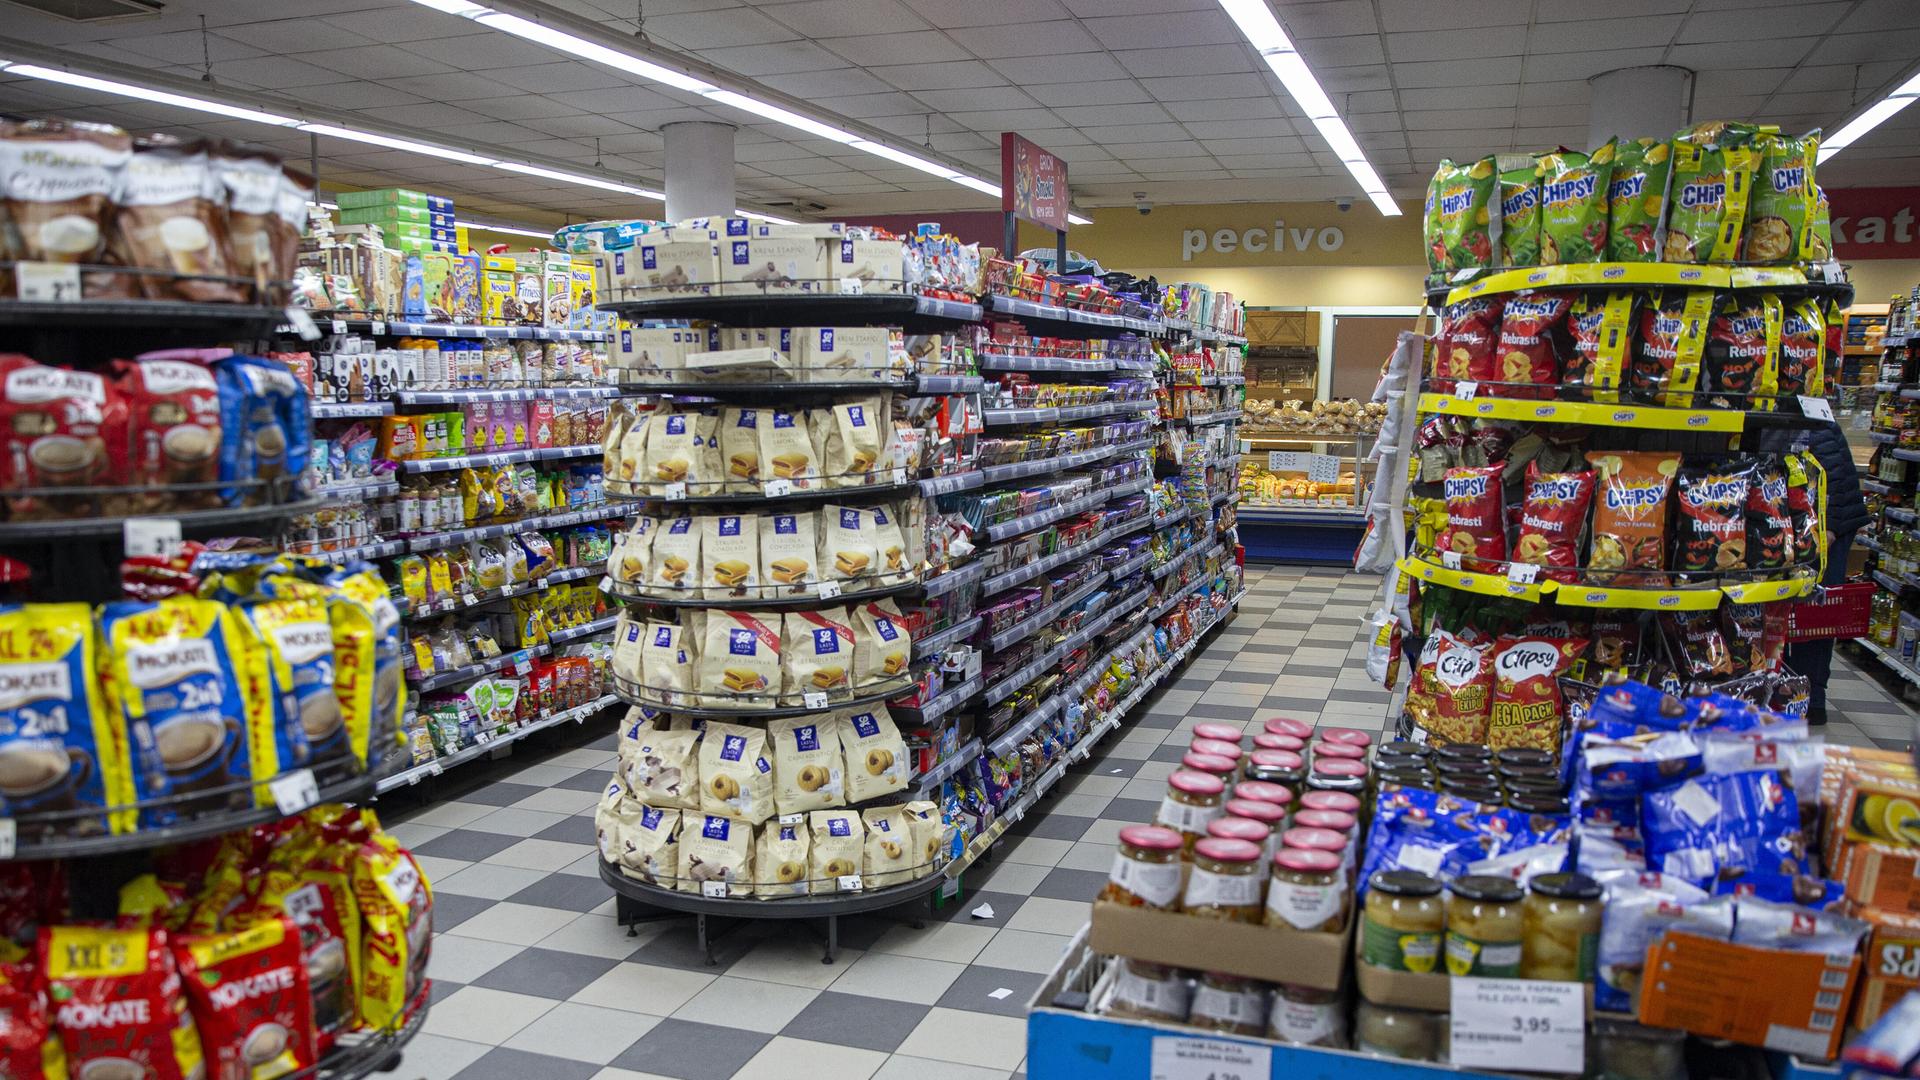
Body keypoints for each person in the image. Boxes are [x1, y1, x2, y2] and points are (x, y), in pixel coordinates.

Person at [1755, 417, 1870, 726]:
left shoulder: (1813, 420)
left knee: (1816, 615)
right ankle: (1777, 688)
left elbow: (1835, 475)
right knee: (1781, 613)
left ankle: (1810, 698)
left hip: (1823, 529)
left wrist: (1827, 530)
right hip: (1785, 525)